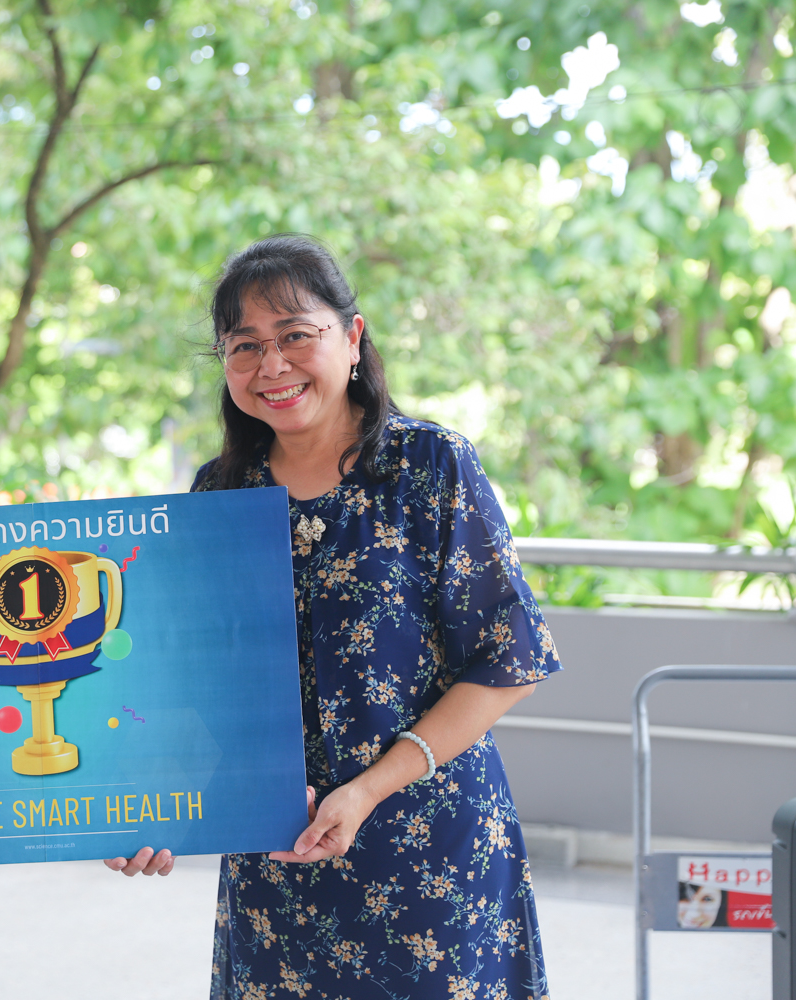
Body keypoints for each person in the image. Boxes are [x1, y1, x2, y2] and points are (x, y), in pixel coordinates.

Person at [135, 234, 561, 999]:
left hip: (431, 856)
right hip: (278, 859)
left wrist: (367, 789)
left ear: (352, 336)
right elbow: (195, 679)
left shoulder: (430, 466)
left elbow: (510, 660)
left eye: (296, 335)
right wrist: (151, 801)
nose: (272, 365)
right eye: (244, 346)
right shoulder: (219, 493)